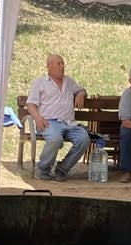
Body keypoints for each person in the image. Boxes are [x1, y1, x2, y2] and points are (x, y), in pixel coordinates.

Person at [26, 54, 90, 182]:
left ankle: (62, 169)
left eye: (63, 64)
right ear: (49, 66)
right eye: (58, 64)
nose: (62, 67)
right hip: (48, 122)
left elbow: (82, 90)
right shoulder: (40, 82)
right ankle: (44, 169)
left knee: (84, 139)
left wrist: (81, 94)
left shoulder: (69, 81)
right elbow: (30, 104)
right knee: (55, 139)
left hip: (69, 123)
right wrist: (38, 118)